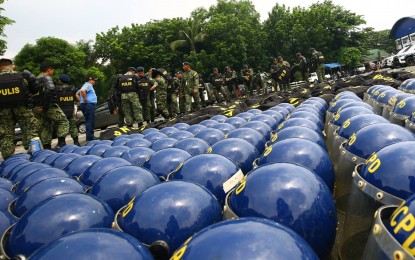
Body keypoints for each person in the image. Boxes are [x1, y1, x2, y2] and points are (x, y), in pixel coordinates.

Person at [0, 58, 42, 159]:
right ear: (12, 66)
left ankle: (9, 162)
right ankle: (38, 157)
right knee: (31, 133)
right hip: (23, 109)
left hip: (3, 112)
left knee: (6, 136)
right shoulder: (22, 76)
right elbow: (35, 89)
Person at [34, 62, 69, 150]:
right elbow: (49, 90)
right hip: (47, 106)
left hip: (37, 107)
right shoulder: (46, 78)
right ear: (49, 70)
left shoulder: (35, 79)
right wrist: (45, 107)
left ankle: (47, 148)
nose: (53, 72)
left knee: (45, 126)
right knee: (63, 121)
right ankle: (61, 144)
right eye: (52, 70)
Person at [56, 74, 79, 146]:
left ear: (60, 81)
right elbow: (76, 98)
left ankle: (61, 143)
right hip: (71, 110)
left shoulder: (57, 89)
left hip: (61, 112)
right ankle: (76, 142)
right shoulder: (72, 89)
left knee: (61, 127)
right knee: (73, 127)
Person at [76, 76, 97, 141]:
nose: (94, 81)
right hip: (89, 105)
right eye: (94, 80)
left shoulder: (85, 85)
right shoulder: (88, 85)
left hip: (86, 105)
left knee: (89, 120)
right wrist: (85, 100)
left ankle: (90, 136)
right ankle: (90, 137)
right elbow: (82, 91)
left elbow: (77, 94)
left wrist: (81, 101)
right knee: (90, 121)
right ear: (90, 80)